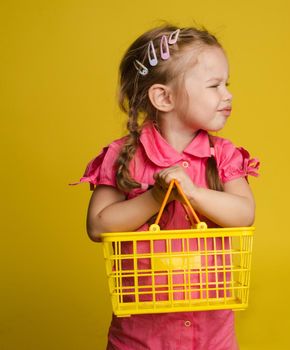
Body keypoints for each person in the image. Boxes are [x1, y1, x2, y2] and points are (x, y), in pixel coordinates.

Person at [76, 23, 259, 349]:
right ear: (163, 97)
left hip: (211, 335)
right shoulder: (123, 156)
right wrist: (155, 196)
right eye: (214, 85)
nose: (228, 94)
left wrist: (192, 192)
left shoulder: (224, 155)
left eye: (227, 84)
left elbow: (244, 214)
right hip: (140, 337)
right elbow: (97, 225)